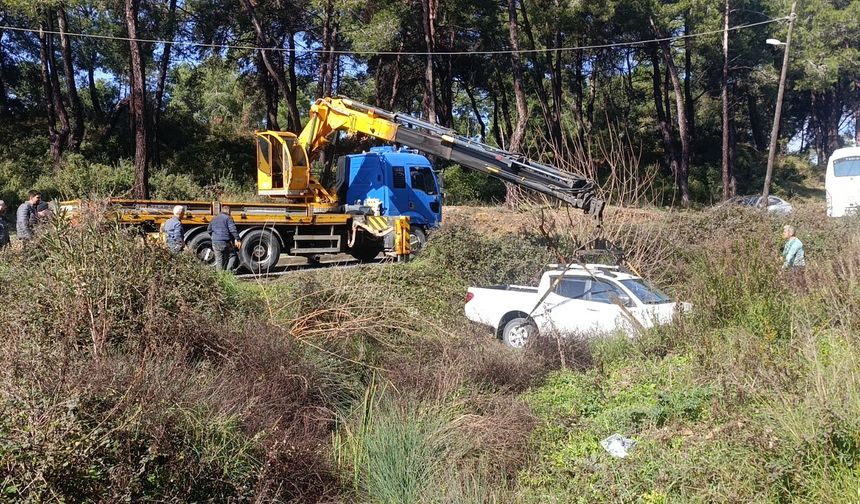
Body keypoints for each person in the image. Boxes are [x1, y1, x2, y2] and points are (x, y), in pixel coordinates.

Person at [207, 205, 240, 271]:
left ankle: (220, 277)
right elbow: (233, 230)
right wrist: (238, 239)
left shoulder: (214, 218)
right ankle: (228, 272)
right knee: (232, 255)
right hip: (225, 242)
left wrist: (214, 237)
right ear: (228, 211)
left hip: (215, 242)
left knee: (219, 259)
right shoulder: (228, 218)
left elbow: (209, 230)